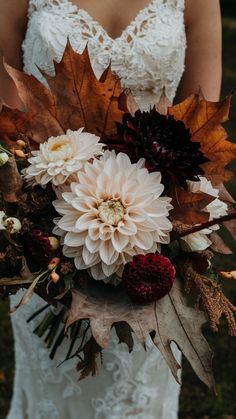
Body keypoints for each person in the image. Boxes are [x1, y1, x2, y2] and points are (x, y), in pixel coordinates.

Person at [0, 1, 222, 418]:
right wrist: (34, 222)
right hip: (47, 239)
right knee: (55, 385)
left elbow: (202, 128)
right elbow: (7, 122)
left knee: (140, 385)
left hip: (156, 244)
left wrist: (174, 231)